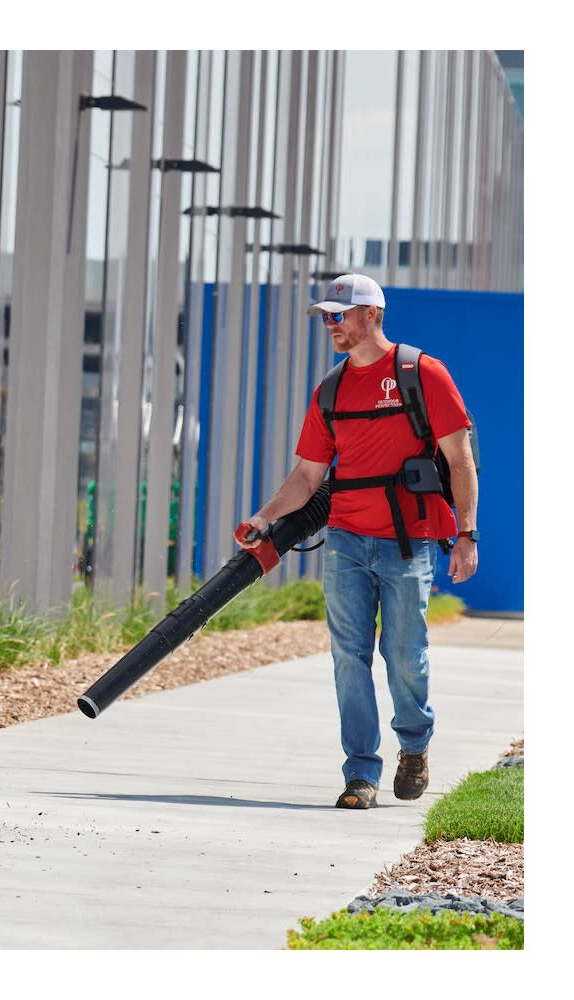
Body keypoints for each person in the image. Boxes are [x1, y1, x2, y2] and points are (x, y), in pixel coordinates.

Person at [239, 273, 478, 810]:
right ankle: (361, 773)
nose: (330, 325)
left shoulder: (422, 373)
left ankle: (414, 744)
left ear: (370, 314)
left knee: (403, 653)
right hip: (346, 538)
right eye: (325, 316)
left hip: (409, 540)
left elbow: (460, 459)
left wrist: (465, 534)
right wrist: (264, 517)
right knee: (349, 657)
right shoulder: (331, 388)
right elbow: (307, 477)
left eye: (337, 315)